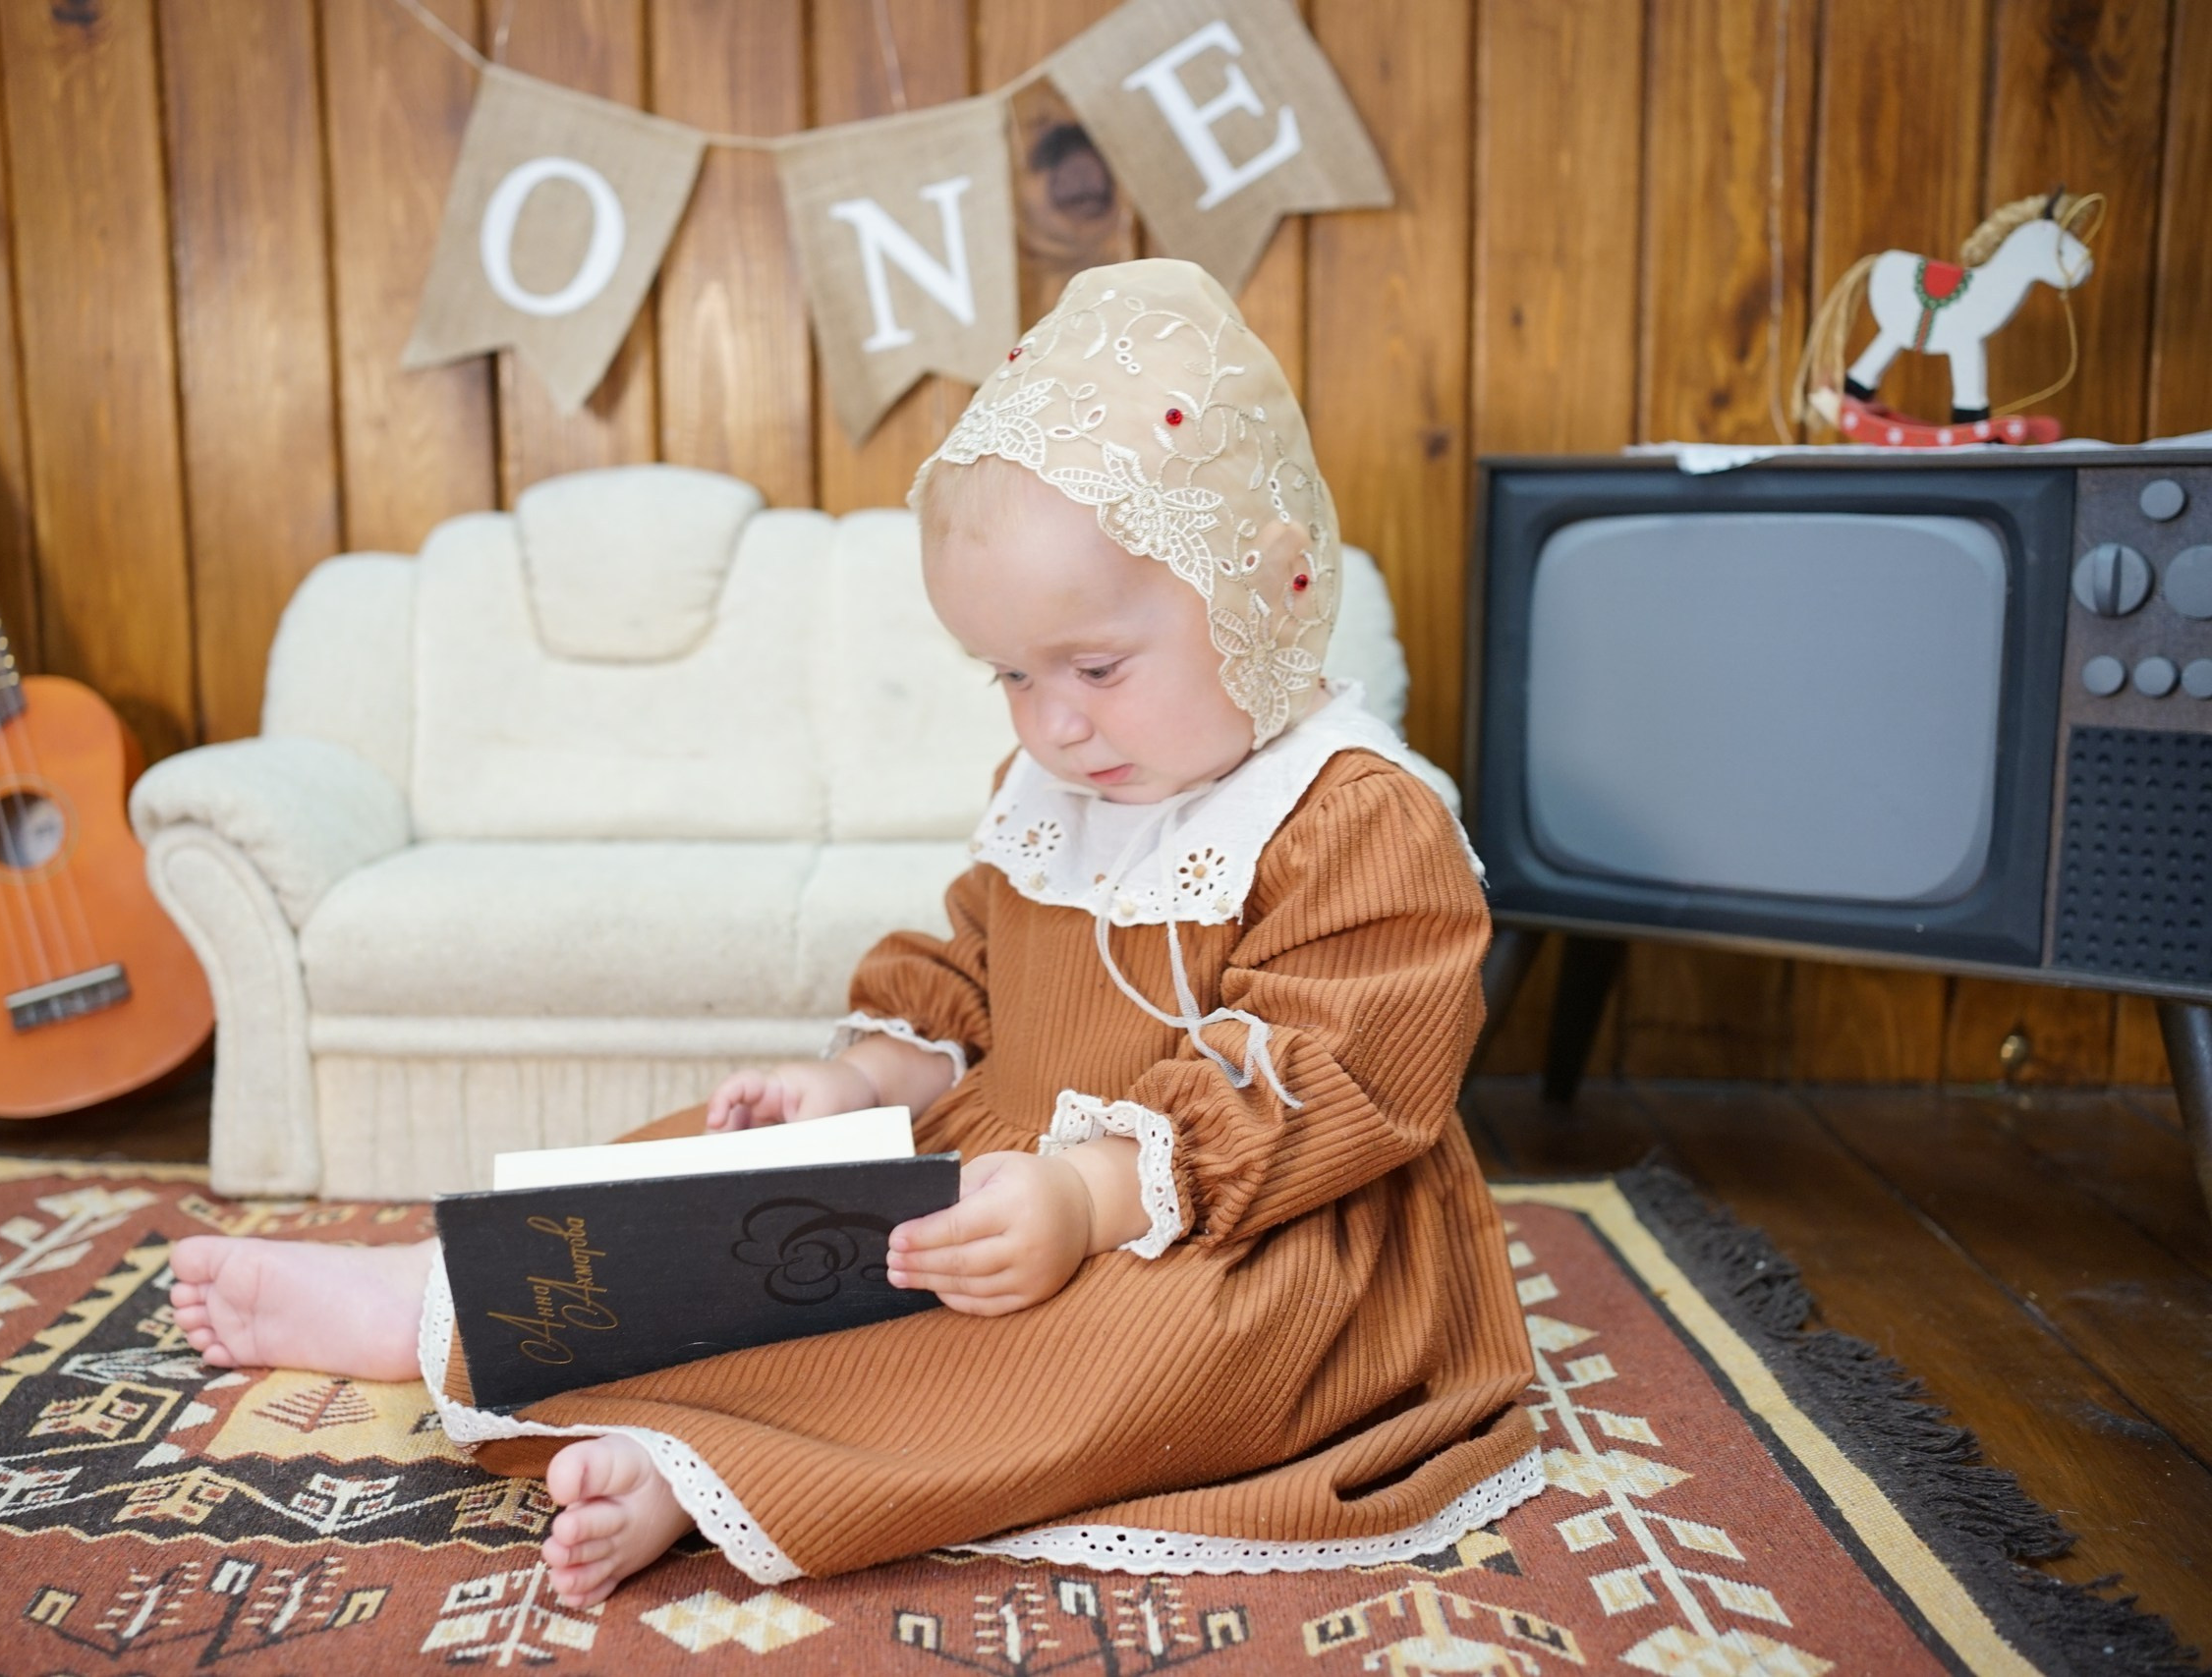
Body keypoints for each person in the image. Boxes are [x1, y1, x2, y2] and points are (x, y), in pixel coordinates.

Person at [169, 257, 1537, 1610]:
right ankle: (451, 1292)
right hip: (1016, 1164)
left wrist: (1089, 1198)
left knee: (1106, 1354)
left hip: (1246, 1232)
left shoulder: (1359, 817)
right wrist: (868, 1084)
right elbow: (972, 981)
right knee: (755, 1195)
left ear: (1272, 595)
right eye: (1010, 675)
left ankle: (702, 1477)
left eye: (1098, 669)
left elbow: (1326, 1081)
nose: (1053, 723)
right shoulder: (1058, 789)